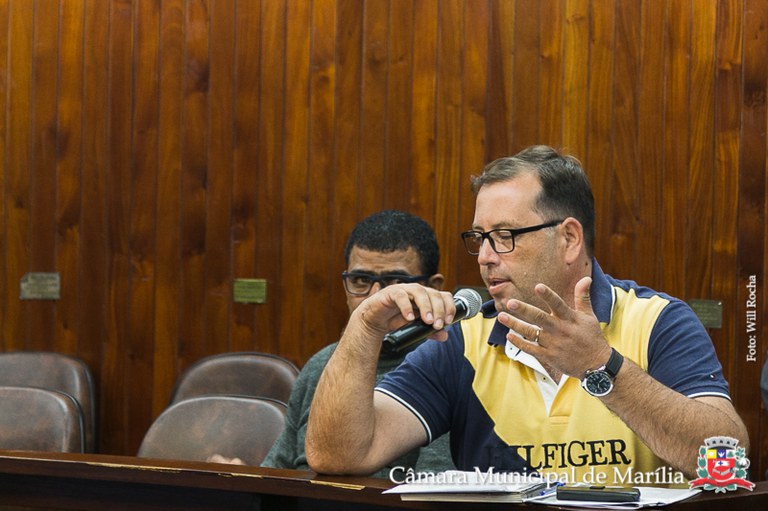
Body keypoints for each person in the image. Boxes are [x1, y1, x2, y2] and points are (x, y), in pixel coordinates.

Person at [305, 145, 748, 482]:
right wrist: (364, 327)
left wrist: (600, 366)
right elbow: (338, 455)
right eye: (479, 238)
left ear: (569, 238)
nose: (485, 257)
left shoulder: (657, 321)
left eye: (505, 236)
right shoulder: (463, 340)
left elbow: (727, 460)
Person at [210, 210, 455, 476]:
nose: (374, 298)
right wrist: (245, 479)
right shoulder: (322, 362)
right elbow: (278, 471)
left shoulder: (444, 364)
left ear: (433, 287)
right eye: (361, 281)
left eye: (394, 282)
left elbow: (433, 487)